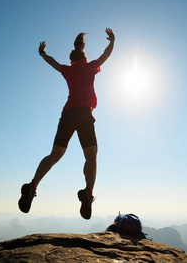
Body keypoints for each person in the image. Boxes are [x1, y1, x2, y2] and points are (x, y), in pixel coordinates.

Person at [18, 28, 115, 219]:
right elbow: (106, 55)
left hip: (68, 113)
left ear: (72, 60)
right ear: (84, 58)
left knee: (54, 155)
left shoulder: (68, 71)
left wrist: (42, 53)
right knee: (91, 157)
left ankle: (33, 185)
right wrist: (112, 41)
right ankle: (88, 191)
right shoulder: (90, 67)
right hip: (84, 114)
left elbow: (53, 63)